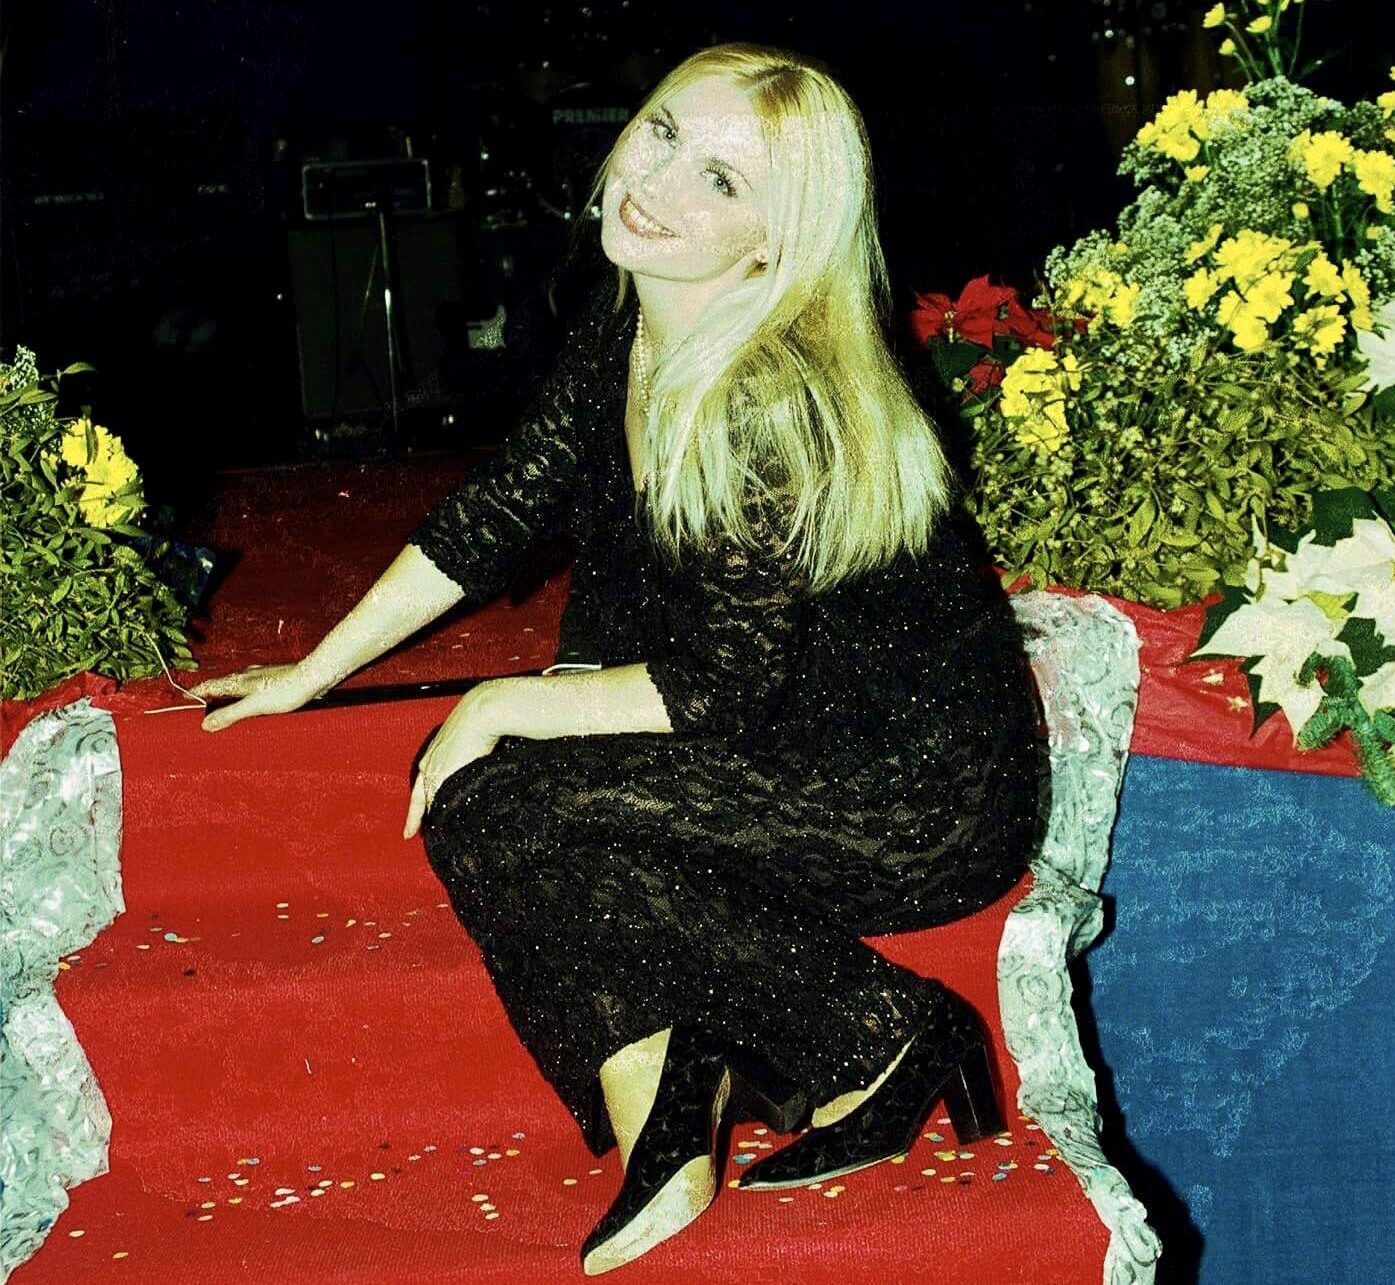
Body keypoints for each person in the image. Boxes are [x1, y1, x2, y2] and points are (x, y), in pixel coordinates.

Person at [188, 41, 1047, 1277]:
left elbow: (719, 690)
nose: (658, 185)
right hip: (784, 718)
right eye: (664, 133)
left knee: (510, 788)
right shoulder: (641, 311)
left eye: (722, 181)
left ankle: (885, 1029)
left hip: (908, 785)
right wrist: (311, 670)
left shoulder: (770, 401)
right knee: (480, 795)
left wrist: (503, 699)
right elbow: (506, 504)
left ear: (776, 242)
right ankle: (671, 1097)